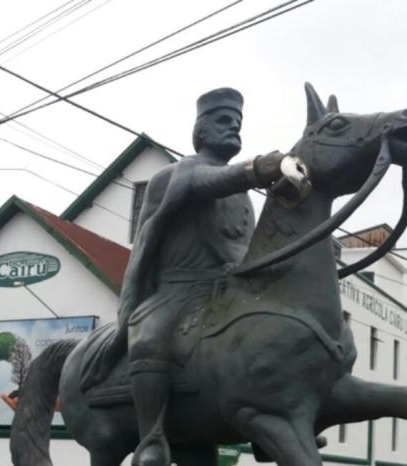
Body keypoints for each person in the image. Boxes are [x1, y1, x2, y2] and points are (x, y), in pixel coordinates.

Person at [83, 88, 284, 466]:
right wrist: (255, 169)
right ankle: (152, 437)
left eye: (238, 124)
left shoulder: (243, 196)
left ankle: (273, 418)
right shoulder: (174, 175)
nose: (234, 130)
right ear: (201, 130)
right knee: (151, 335)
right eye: (224, 122)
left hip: (226, 290)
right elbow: (202, 184)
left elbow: (249, 247)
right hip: (176, 289)